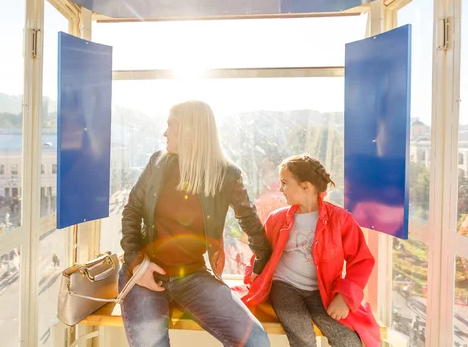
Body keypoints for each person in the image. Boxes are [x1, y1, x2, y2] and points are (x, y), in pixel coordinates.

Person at [119, 100, 272, 347]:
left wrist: (263, 262)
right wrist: (137, 264)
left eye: (171, 125)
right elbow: (132, 212)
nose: (164, 132)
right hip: (144, 272)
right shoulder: (157, 162)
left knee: (257, 342)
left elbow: (249, 219)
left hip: (192, 276)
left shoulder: (226, 175)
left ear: (190, 130)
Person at [238, 155, 381, 347]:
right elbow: (261, 252)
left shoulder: (340, 220)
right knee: (302, 337)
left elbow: (361, 260)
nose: (280, 189)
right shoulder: (277, 219)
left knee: (348, 340)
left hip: (321, 291)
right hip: (284, 286)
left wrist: (345, 298)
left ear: (306, 187)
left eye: (284, 183)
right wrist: (254, 274)